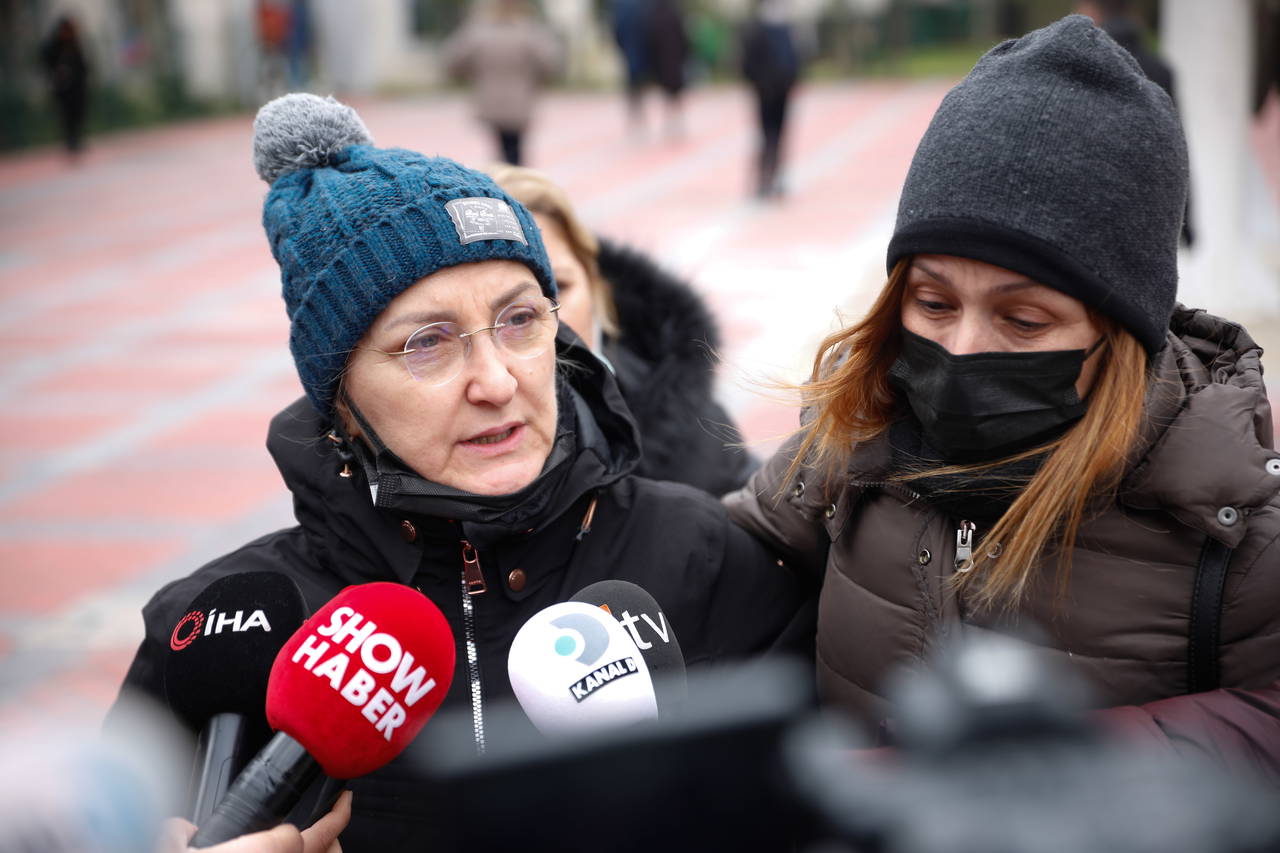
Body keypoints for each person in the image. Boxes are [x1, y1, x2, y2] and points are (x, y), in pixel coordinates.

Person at [110, 93, 812, 850]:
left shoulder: (709, 555)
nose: (497, 382)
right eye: (427, 343)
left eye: (520, 320)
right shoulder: (217, 628)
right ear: (340, 397)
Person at [726, 15, 1280, 780]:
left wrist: (1049, 768)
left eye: (1022, 320)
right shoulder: (851, 446)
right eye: (933, 302)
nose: (959, 349)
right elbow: (712, 562)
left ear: (1119, 334)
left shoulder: (1233, 529)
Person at [488, 163, 756, 494]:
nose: (548, 319)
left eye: (559, 286)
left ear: (596, 285)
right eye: (514, 312)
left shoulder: (691, 415)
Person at [442, 0, 560, 165]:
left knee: (500, 148)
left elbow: (453, 61)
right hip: (520, 100)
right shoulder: (529, 31)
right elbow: (550, 63)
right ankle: (517, 181)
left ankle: (504, 178)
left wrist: (470, 75)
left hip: (489, 99)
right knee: (516, 148)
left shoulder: (478, 31)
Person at [740, 0, 800, 199]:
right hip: (765, 92)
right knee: (766, 136)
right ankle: (763, 179)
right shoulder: (756, 29)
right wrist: (760, 84)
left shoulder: (785, 28)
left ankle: (775, 178)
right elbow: (747, 63)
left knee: (778, 136)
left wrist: (790, 82)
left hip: (781, 91)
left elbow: (794, 60)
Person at [40, 14, 89, 157]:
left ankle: (76, 140)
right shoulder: (52, 46)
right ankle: (70, 142)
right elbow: (46, 63)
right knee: (66, 115)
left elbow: (83, 64)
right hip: (62, 88)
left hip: (78, 87)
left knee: (78, 113)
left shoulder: (75, 43)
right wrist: (56, 73)